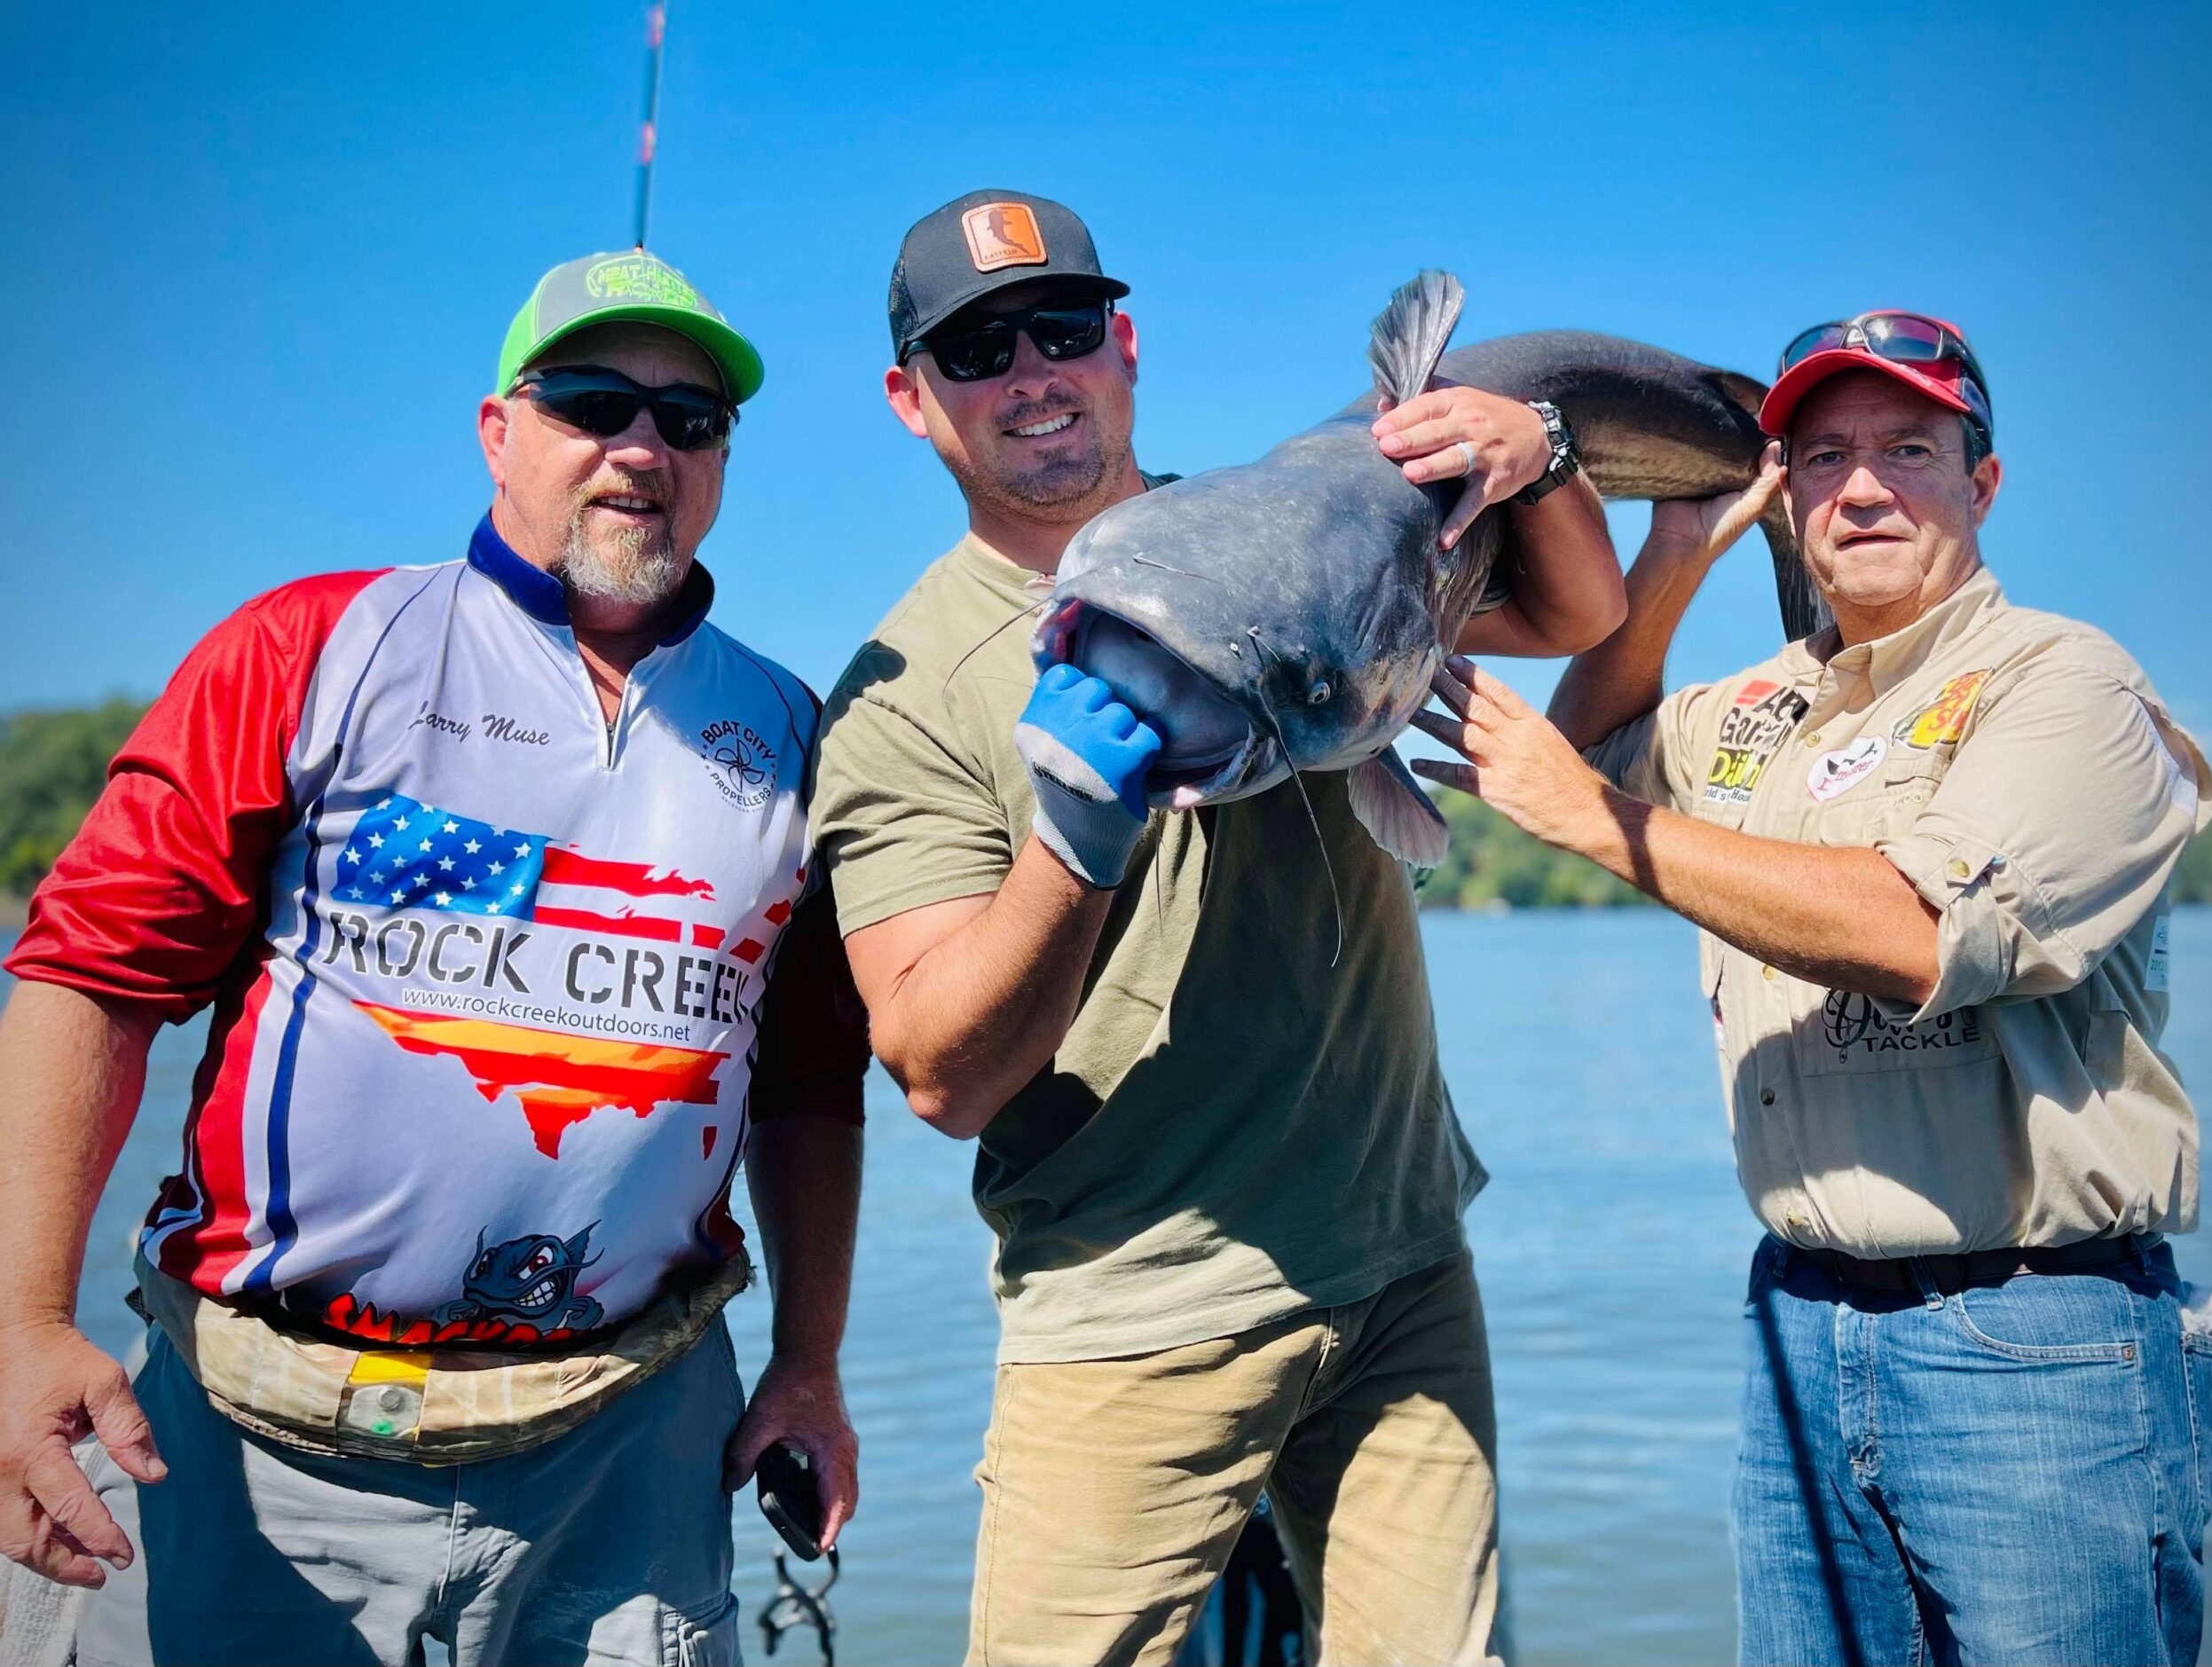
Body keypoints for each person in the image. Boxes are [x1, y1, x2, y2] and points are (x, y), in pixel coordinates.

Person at [0, 249, 868, 1665]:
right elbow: (90, 978)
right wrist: (20, 1320)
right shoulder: (316, 645)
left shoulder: (788, 728)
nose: (643, 446)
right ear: (498, 431)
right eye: (594, 401)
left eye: (691, 419)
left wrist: (812, 1363)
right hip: (267, 1436)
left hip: (634, 1446)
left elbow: (814, 1080)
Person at [812, 189, 1628, 1666]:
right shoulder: (902, 690)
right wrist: (1076, 832)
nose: (1033, 374)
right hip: (1135, 1311)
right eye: (979, 349)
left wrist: (1541, 454)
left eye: (1062, 329)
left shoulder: (1307, 535)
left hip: (1402, 1264)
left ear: (1125, 345)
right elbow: (939, 1074)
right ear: (910, 399)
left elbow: (1571, 616)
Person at [1412, 311, 2212, 1665]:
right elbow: (1599, 747)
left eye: (1910, 449)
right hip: (1797, 1317)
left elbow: (1922, 932)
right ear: (1784, 492)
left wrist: (1595, 819)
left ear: (1984, 482)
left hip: (2036, 1344)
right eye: (1823, 456)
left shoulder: (2064, 684)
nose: (1861, 487)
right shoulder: (1766, 702)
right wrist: (1678, 546)